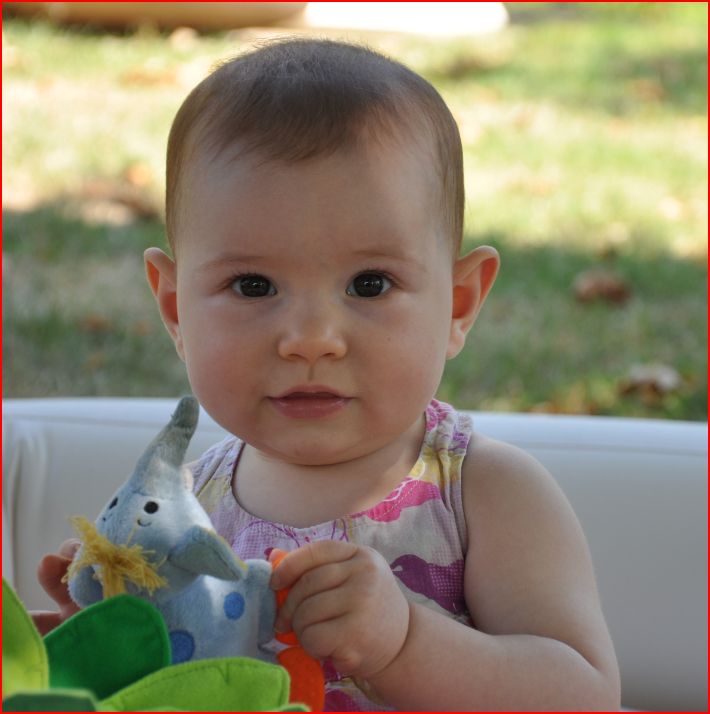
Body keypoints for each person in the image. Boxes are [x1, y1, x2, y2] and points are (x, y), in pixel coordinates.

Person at [34, 38, 620, 711]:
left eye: (370, 283)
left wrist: (406, 643)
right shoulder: (186, 514)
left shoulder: (481, 493)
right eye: (252, 285)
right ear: (174, 308)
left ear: (458, 305)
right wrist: (119, 643)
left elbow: (585, 696)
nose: (310, 339)